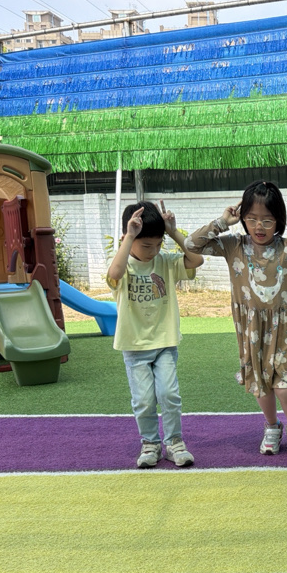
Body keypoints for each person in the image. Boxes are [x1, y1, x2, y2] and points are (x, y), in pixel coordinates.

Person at [185, 180, 287, 458]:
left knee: (283, 386)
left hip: (281, 329)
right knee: (260, 385)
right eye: (251, 218)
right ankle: (272, 427)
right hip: (249, 329)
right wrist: (222, 222)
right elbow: (192, 244)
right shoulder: (233, 245)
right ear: (242, 218)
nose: (259, 226)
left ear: (278, 220)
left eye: (267, 220)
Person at [107, 200, 205, 468]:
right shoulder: (123, 265)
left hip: (164, 343)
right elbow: (114, 273)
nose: (154, 251)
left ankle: (174, 442)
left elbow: (196, 259)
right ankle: (150, 443)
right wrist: (129, 236)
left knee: (169, 394)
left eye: (158, 244)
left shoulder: (166, 262)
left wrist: (172, 232)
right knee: (143, 400)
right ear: (129, 239)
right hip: (134, 346)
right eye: (146, 245)